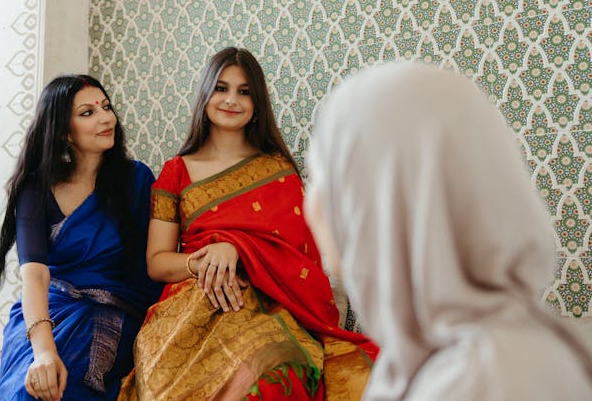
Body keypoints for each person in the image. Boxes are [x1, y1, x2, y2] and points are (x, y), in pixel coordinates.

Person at [304, 61, 592, 400]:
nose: (311, 202)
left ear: (382, 204)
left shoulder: (483, 382)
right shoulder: (429, 359)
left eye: (323, 174)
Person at [118, 47, 377, 400]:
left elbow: (299, 257)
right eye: (221, 88)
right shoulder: (175, 172)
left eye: (244, 92)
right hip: (189, 308)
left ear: (257, 104)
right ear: (206, 94)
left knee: (275, 376)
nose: (231, 100)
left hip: (266, 306)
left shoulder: (277, 170)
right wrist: (205, 258)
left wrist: (238, 249)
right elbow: (157, 262)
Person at [0, 75, 162, 401]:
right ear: (64, 131)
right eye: (87, 112)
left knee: (66, 387)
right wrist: (42, 352)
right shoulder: (36, 187)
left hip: (114, 311)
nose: (105, 118)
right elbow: (35, 274)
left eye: (106, 107)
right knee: (24, 390)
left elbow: (149, 266)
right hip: (50, 312)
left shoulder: (136, 179)